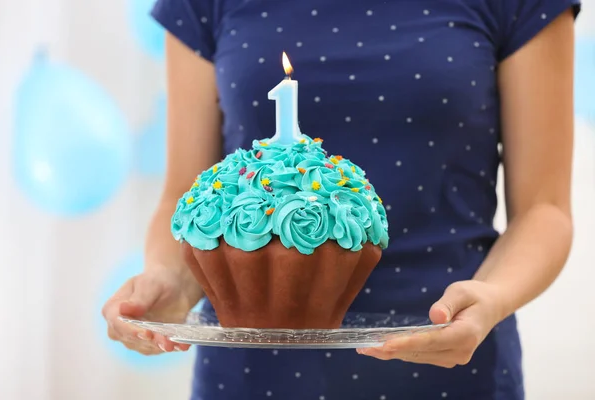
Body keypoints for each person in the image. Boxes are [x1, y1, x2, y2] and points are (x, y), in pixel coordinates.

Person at [102, 0, 581, 398]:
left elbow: (545, 208)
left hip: (450, 364)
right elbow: (187, 200)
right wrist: (169, 282)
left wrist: (492, 298)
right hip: (249, 375)